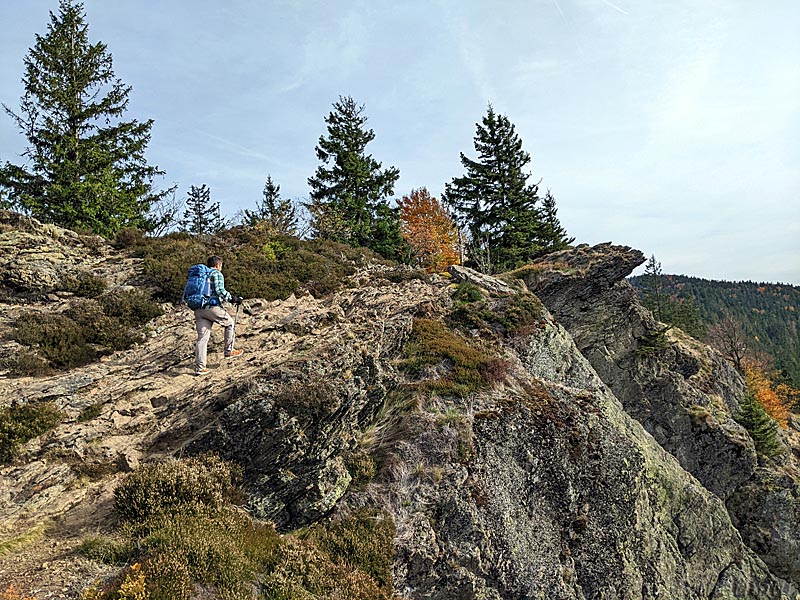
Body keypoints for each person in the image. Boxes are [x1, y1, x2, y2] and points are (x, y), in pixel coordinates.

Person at [193, 255, 243, 375]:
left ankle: (200, 368)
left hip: (198, 308)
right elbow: (220, 291)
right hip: (211, 307)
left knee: (202, 338)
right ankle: (228, 351)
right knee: (230, 323)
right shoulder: (216, 274)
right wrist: (233, 299)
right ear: (217, 265)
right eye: (221, 265)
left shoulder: (201, 275)